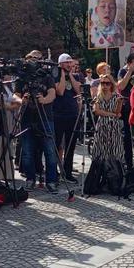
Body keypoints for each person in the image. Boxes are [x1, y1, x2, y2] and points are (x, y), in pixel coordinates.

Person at [13, 66, 59, 193]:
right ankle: (30, 179)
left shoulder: (46, 76)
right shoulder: (22, 77)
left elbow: (52, 94)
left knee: (50, 151)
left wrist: (44, 100)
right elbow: (15, 95)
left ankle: (51, 181)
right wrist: (22, 100)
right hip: (27, 118)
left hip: (45, 117)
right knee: (27, 151)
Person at [53, 53, 82, 183]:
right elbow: (60, 91)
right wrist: (62, 75)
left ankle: (68, 172)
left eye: (70, 62)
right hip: (58, 115)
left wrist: (70, 75)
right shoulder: (55, 76)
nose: (69, 64)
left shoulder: (75, 76)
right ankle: (54, 172)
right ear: (60, 64)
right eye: (67, 62)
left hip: (72, 115)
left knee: (71, 145)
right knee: (57, 144)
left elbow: (78, 90)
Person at [91, 73, 124, 165]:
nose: (105, 86)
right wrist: (111, 114)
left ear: (111, 84)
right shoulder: (98, 96)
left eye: (107, 83)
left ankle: (115, 168)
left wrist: (119, 103)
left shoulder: (116, 96)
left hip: (114, 126)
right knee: (100, 150)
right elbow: (97, 111)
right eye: (102, 83)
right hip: (102, 125)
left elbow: (118, 113)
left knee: (115, 149)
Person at [118, 53, 134, 170]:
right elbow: (121, 86)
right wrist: (129, 71)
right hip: (126, 106)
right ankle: (128, 163)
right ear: (129, 62)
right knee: (127, 136)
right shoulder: (123, 71)